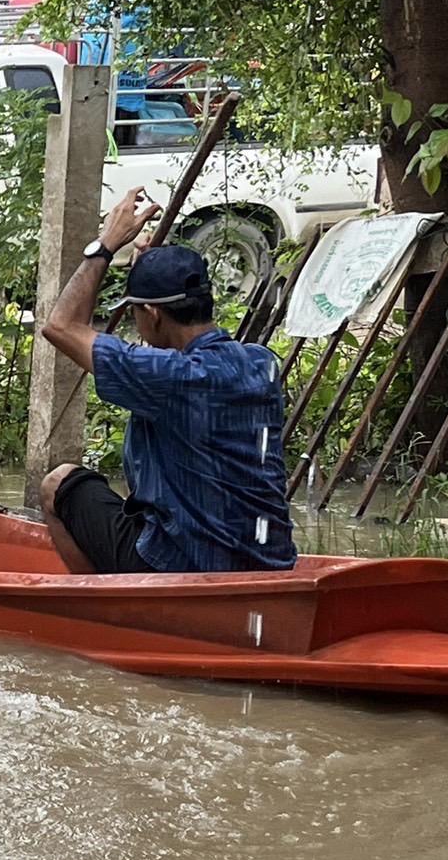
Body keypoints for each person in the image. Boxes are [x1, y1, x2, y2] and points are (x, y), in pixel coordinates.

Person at [37, 186, 296, 575]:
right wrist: (150, 268)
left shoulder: (171, 377)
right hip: (269, 561)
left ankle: (100, 602)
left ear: (153, 315)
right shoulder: (261, 364)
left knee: (59, 483)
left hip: (181, 565)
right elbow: (166, 359)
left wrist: (106, 245)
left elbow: (60, 326)